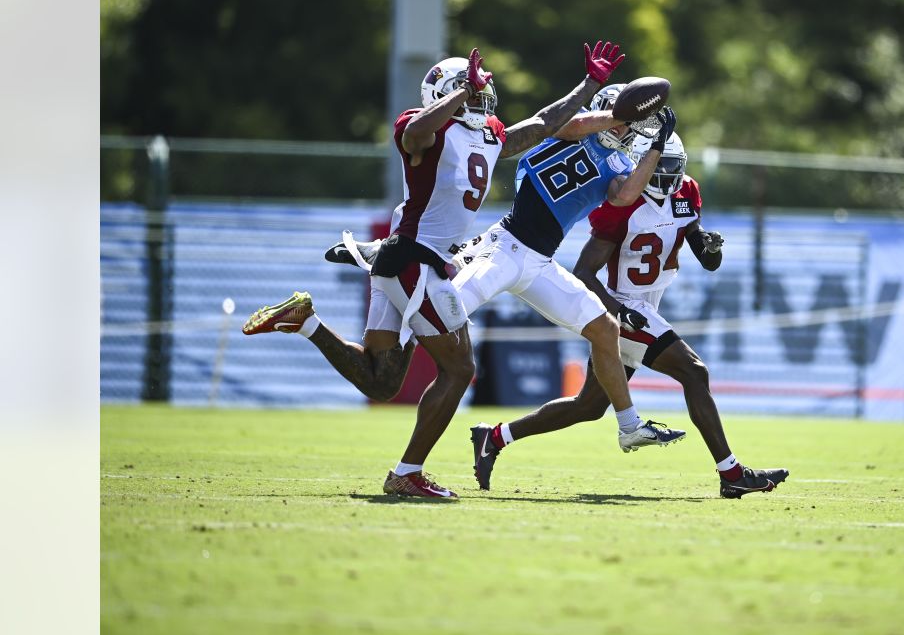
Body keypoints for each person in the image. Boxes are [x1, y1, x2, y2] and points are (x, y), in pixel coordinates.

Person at [241, 41, 627, 499]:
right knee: (460, 368)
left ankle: (306, 321)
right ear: (450, 92)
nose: (483, 95)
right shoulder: (424, 127)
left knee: (381, 381)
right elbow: (414, 134)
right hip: (415, 261)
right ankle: (407, 473)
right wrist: (460, 95)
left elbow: (544, 124)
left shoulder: (488, 134)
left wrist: (590, 85)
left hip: (406, 263)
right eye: (470, 89)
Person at [467, 132, 789, 498]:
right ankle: (731, 474)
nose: (668, 174)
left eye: (674, 165)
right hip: (623, 305)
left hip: (646, 307)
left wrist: (711, 247)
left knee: (588, 406)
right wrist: (618, 312)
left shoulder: (687, 193)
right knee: (694, 372)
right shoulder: (622, 205)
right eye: (660, 164)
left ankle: (494, 437)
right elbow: (584, 270)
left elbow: (705, 256)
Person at [445, 86, 687, 462]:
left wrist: (655, 145)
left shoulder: (621, 163)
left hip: (539, 261)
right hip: (506, 246)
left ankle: (629, 427)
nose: (624, 130)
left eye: (628, 124)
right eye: (620, 119)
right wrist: (622, 112)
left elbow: (624, 196)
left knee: (606, 328)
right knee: (444, 312)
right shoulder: (572, 128)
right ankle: (392, 347)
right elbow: (568, 124)